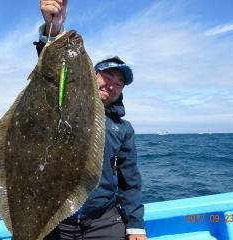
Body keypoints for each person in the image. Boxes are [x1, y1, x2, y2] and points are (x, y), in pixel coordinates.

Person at [36, 1, 149, 239]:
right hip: (54, 217)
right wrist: (53, 28)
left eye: (120, 83)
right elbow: (51, 73)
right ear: (90, 75)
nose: (112, 84)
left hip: (102, 219)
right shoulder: (62, 102)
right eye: (107, 76)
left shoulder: (123, 128)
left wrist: (135, 225)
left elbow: (130, 181)